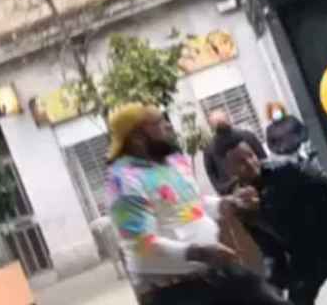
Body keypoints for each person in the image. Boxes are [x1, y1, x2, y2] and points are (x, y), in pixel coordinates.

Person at [105, 103, 289, 305]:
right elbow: (140, 244)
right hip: (173, 291)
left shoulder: (172, 160)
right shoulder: (122, 180)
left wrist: (229, 203)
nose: (167, 125)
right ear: (138, 137)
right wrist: (197, 252)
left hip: (216, 272)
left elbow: (193, 204)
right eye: (159, 122)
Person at [220, 137, 327, 305]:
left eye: (250, 155)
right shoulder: (243, 207)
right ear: (230, 171)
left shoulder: (285, 168)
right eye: (240, 162)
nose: (250, 163)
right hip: (304, 256)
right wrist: (272, 284)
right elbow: (271, 250)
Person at [205, 109, 267, 195]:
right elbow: (212, 174)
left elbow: (263, 160)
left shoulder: (247, 136)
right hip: (234, 194)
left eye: (221, 120)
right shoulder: (210, 149)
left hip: (258, 186)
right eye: (217, 122)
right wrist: (224, 189)